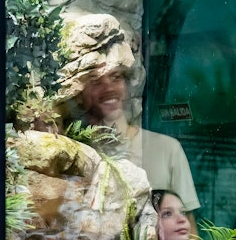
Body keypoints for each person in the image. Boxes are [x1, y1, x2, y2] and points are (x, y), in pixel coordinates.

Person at [80, 64, 201, 212]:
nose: (109, 88)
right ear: (79, 92)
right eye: (95, 80)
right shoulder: (74, 152)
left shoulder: (167, 149)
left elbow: (188, 227)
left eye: (116, 78)